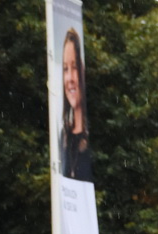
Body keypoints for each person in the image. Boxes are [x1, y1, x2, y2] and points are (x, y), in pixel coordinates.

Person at [58, 27, 92, 182]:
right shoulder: (63, 135)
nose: (70, 78)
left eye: (75, 67)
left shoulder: (91, 131)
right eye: (65, 69)